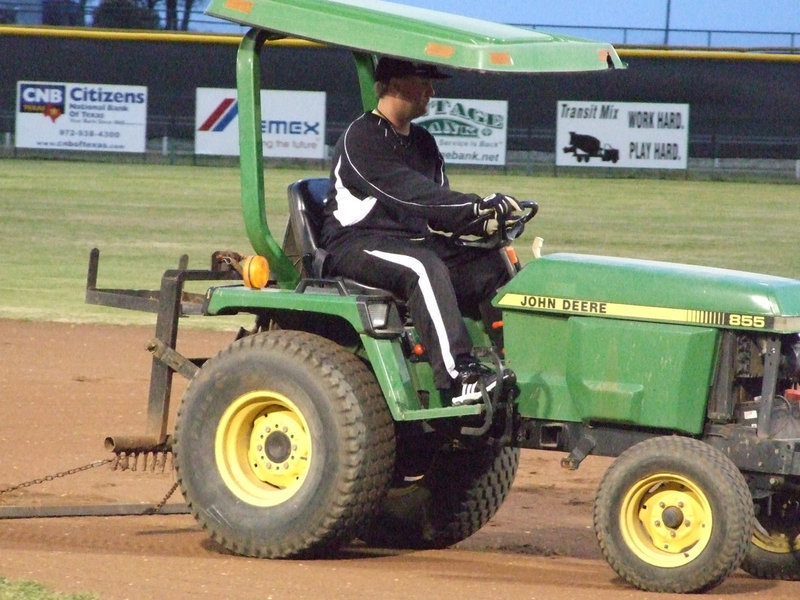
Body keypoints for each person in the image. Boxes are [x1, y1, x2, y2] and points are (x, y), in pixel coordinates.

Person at [319, 56, 519, 405]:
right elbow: (408, 193)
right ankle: (461, 378)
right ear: (395, 84)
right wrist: (473, 207)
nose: (432, 89)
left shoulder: (424, 143)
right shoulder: (362, 138)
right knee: (422, 266)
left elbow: (437, 209)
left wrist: (484, 219)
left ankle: (511, 360)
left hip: (414, 241)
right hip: (358, 243)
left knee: (492, 264)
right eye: (423, 80)